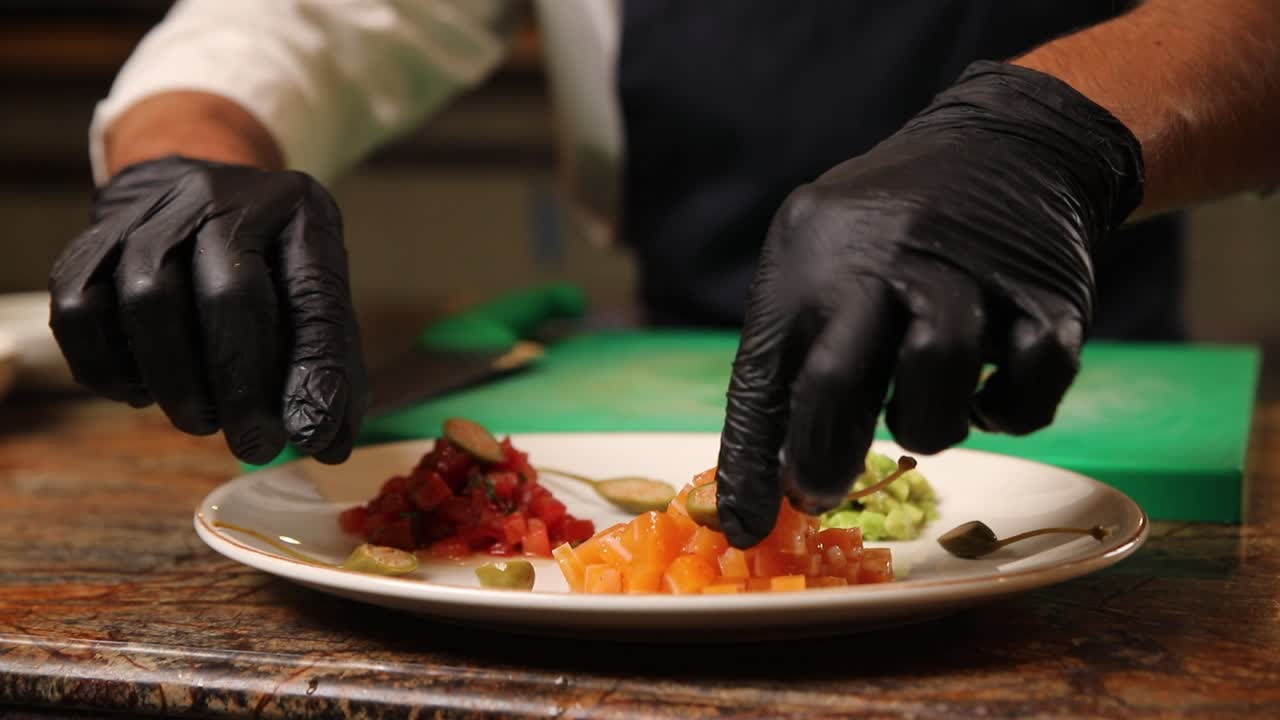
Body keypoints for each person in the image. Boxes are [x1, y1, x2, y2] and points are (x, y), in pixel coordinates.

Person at [49, 0, 1280, 547]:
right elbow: (287, 24)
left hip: (1073, 379)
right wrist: (183, 160)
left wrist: (1047, 136)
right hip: (670, 368)